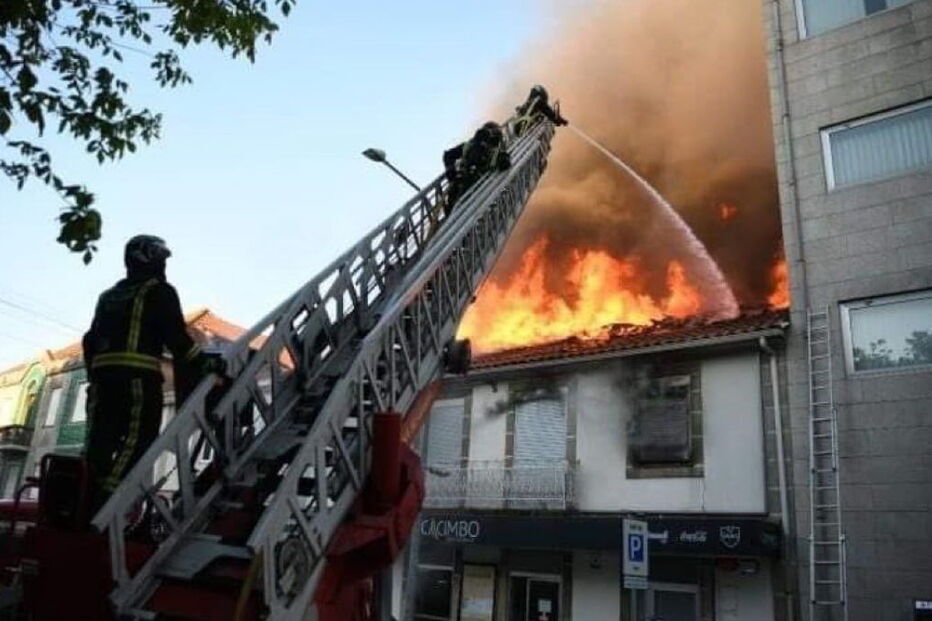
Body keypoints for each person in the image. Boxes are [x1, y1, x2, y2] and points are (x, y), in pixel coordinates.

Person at [82, 234, 225, 513]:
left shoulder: (108, 296)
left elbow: (90, 340)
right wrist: (206, 364)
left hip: (102, 381)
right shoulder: (159, 291)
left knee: (100, 442)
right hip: (137, 379)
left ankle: (82, 499)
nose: (164, 265)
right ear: (149, 258)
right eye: (161, 258)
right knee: (139, 439)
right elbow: (176, 338)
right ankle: (105, 501)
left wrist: (94, 376)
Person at [442, 121, 511, 212]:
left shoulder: (467, 146)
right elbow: (505, 164)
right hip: (477, 193)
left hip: (459, 188)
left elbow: (448, 155)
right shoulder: (495, 152)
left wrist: (451, 172)